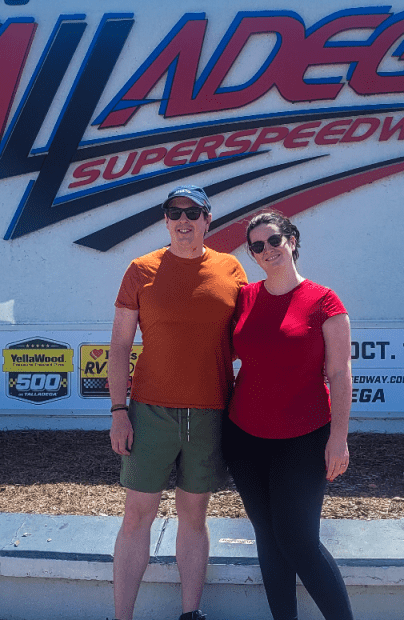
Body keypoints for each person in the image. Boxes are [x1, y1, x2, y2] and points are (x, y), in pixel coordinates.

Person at [108, 185, 248, 620]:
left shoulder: (232, 269)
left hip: (209, 413)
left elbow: (253, 339)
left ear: (208, 219)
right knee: (136, 516)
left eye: (193, 212)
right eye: (174, 212)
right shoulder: (140, 269)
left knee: (194, 517)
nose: (183, 220)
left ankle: (191, 614)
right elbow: (118, 345)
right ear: (165, 220)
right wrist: (117, 412)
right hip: (150, 412)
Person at [222, 210, 354, 620]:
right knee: (267, 535)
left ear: (292, 240)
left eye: (274, 240)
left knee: (297, 540)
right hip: (244, 436)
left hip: (304, 437)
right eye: (257, 246)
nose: (266, 250)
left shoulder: (324, 300)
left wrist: (339, 438)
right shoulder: (244, 297)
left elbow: (340, 372)